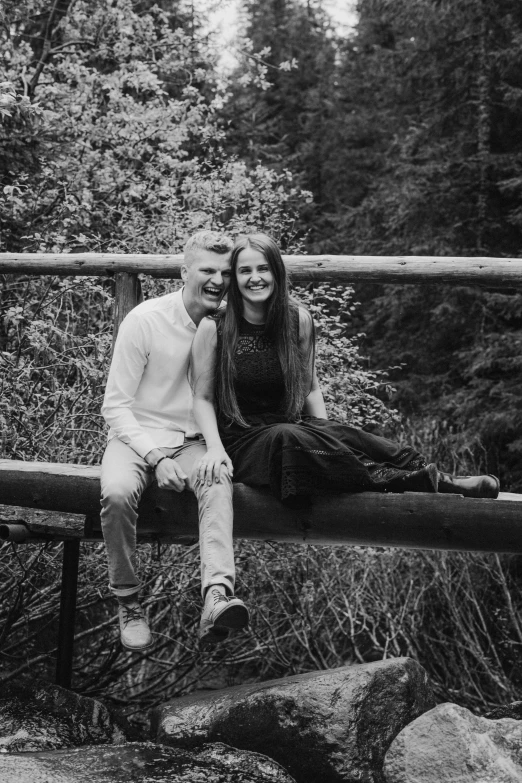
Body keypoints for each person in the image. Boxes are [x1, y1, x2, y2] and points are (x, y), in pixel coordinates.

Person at [190, 232, 499, 509]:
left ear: (277, 272)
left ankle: (434, 476)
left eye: (263, 268)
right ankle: (428, 482)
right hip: (242, 442)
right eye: (245, 271)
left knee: (347, 435)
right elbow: (202, 398)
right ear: (236, 279)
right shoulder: (215, 328)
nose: (254, 278)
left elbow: (310, 389)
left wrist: (325, 437)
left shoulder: (298, 321)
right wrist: (215, 450)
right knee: (288, 437)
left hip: (291, 429)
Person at [100, 230, 249, 652]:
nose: (218, 281)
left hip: (193, 441)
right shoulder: (146, 320)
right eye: (207, 270)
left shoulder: (230, 326)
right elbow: (114, 407)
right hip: (136, 436)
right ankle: (128, 601)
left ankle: (216, 596)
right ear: (185, 272)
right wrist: (154, 457)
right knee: (115, 492)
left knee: (218, 481)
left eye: (225, 272)